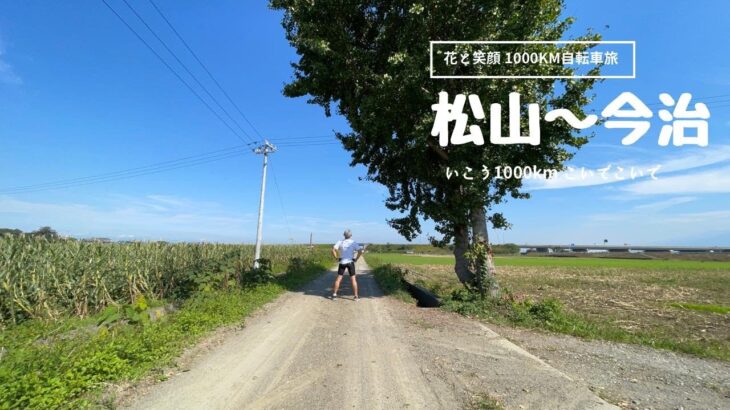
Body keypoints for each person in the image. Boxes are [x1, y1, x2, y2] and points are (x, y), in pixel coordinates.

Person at [331, 229, 364, 300]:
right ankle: (356, 296)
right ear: (351, 235)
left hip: (342, 262)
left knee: (339, 278)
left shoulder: (340, 242)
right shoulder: (353, 242)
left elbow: (333, 250)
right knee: (353, 279)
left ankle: (334, 295)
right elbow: (360, 251)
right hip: (350, 262)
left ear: (344, 235)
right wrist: (356, 259)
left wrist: (336, 258)